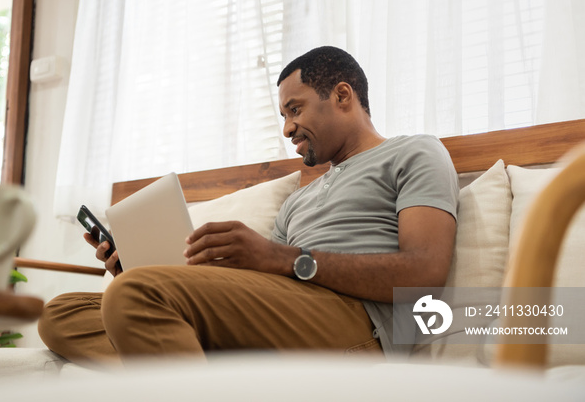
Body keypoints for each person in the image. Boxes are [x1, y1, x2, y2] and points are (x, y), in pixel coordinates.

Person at [38, 46, 459, 363]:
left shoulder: (414, 153)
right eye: (282, 115)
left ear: (343, 95)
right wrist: (140, 266)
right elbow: (257, 283)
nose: (288, 128)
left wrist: (283, 258)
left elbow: (424, 274)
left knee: (134, 297)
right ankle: (201, 365)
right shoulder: (300, 199)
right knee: (61, 314)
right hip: (282, 312)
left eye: (295, 109)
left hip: (355, 323)